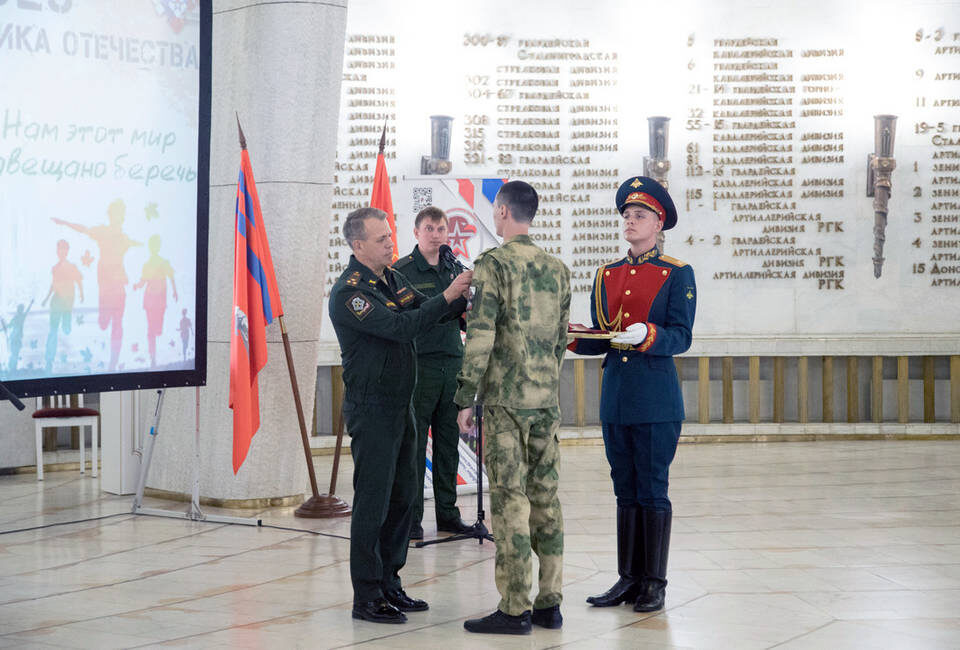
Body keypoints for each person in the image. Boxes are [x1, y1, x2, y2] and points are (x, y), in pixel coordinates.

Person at [328, 207, 472, 625]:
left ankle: (390, 582)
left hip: (400, 405)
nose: (390, 243)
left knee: (403, 497)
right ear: (358, 246)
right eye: (381, 239)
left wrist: (459, 294)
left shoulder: (391, 278)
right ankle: (367, 595)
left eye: (391, 236)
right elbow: (399, 326)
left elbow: (426, 309)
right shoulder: (350, 293)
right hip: (372, 410)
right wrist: (447, 299)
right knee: (373, 504)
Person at [568, 176, 696, 614]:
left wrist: (651, 333)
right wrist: (571, 337)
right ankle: (628, 577)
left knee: (652, 489)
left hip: (655, 398)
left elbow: (681, 336)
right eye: (626, 214)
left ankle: (654, 582)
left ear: (659, 223)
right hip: (617, 397)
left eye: (639, 215)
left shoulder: (677, 274)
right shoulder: (607, 274)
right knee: (624, 487)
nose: (630, 221)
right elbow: (603, 338)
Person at [455, 180, 571, 635]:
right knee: (546, 499)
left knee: (509, 501)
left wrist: (467, 396)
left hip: (505, 403)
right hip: (545, 401)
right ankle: (549, 603)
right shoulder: (557, 269)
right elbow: (562, 339)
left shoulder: (493, 265)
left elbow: (480, 336)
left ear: (502, 212)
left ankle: (514, 607)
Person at [393, 206, 472, 540]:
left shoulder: (456, 268)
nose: (437, 235)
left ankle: (448, 514)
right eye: (429, 229)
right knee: (413, 446)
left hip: (452, 362)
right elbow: (416, 312)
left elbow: (462, 315)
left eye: (441, 229)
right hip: (420, 364)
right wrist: (451, 298)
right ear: (416, 232)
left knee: (448, 443)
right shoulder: (402, 270)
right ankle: (411, 519)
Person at [53, 199, 142, 371]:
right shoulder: (103, 232)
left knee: (117, 323)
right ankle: (106, 325)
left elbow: (139, 245)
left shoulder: (124, 237)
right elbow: (84, 229)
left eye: (121, 215)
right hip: (105, 287)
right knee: (103, 323)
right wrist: (64, 223)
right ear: (111, 216)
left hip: (119, 285)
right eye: (116, 214)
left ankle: (113, 364)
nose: (119, 218)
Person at [133, 234, 178, 367]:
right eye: (152, 245)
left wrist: (175, 291)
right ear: (150, 247)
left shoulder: (164, 263)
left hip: (160, 300)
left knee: (158, 329)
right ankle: (152, 356)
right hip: (149, 300)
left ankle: (154, 351)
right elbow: (143, 281)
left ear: (158, 247)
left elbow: (171, 276)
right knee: (151, 330)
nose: (154, 247)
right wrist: (136, 286)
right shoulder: (147, 265)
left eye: (156, 244)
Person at [42, 240, 84, 373]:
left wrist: (82, 294)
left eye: (64, 249)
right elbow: (53, 285)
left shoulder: (72, 267)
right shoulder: (55, 268)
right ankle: (49, 360)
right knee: (53, 331)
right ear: (57, 251)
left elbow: (78, 281)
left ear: (67, 251)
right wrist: (46, 298)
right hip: (56, 303)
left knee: (66, 329)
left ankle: (68, 361)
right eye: (59, 249)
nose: (61, 251)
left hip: (67, 304)